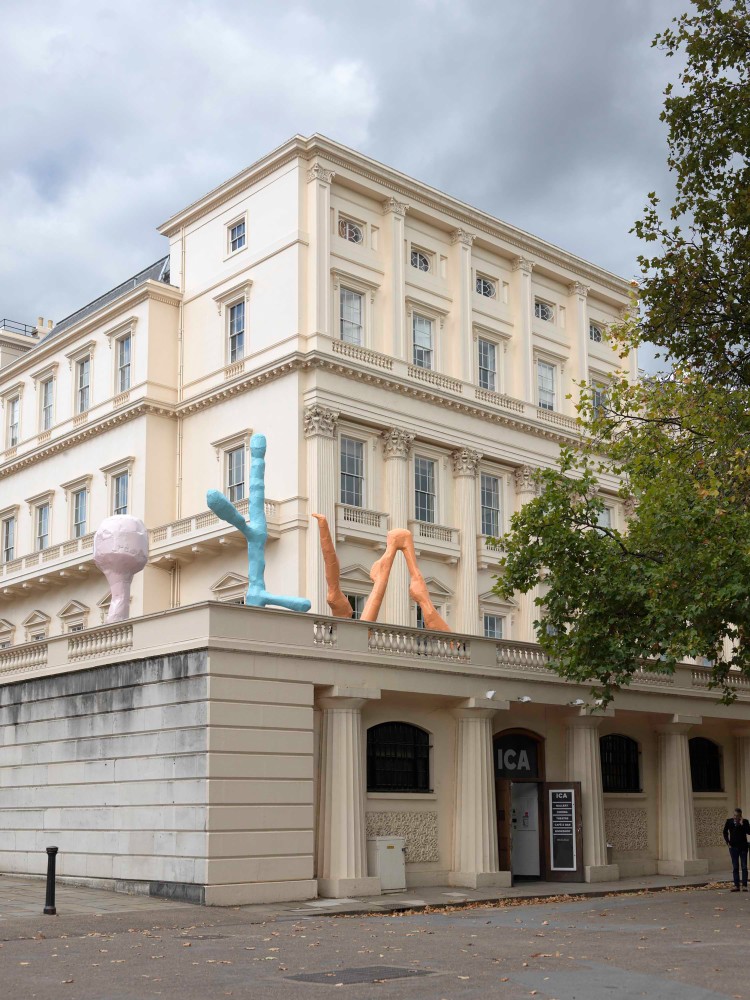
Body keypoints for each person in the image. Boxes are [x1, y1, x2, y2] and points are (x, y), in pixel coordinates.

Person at [723, 808, 750, 891]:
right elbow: (724, 832)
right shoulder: (729, 821)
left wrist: (742, 824)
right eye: (734, 815)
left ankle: (744, 885)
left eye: (737, 816)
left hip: (743, 847)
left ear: (740, 816)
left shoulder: (745, 822)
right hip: (733, 847)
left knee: (744, 867)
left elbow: (749, 832)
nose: (735, 817)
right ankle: (736, 886)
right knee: (735, 867)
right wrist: (727, 842)